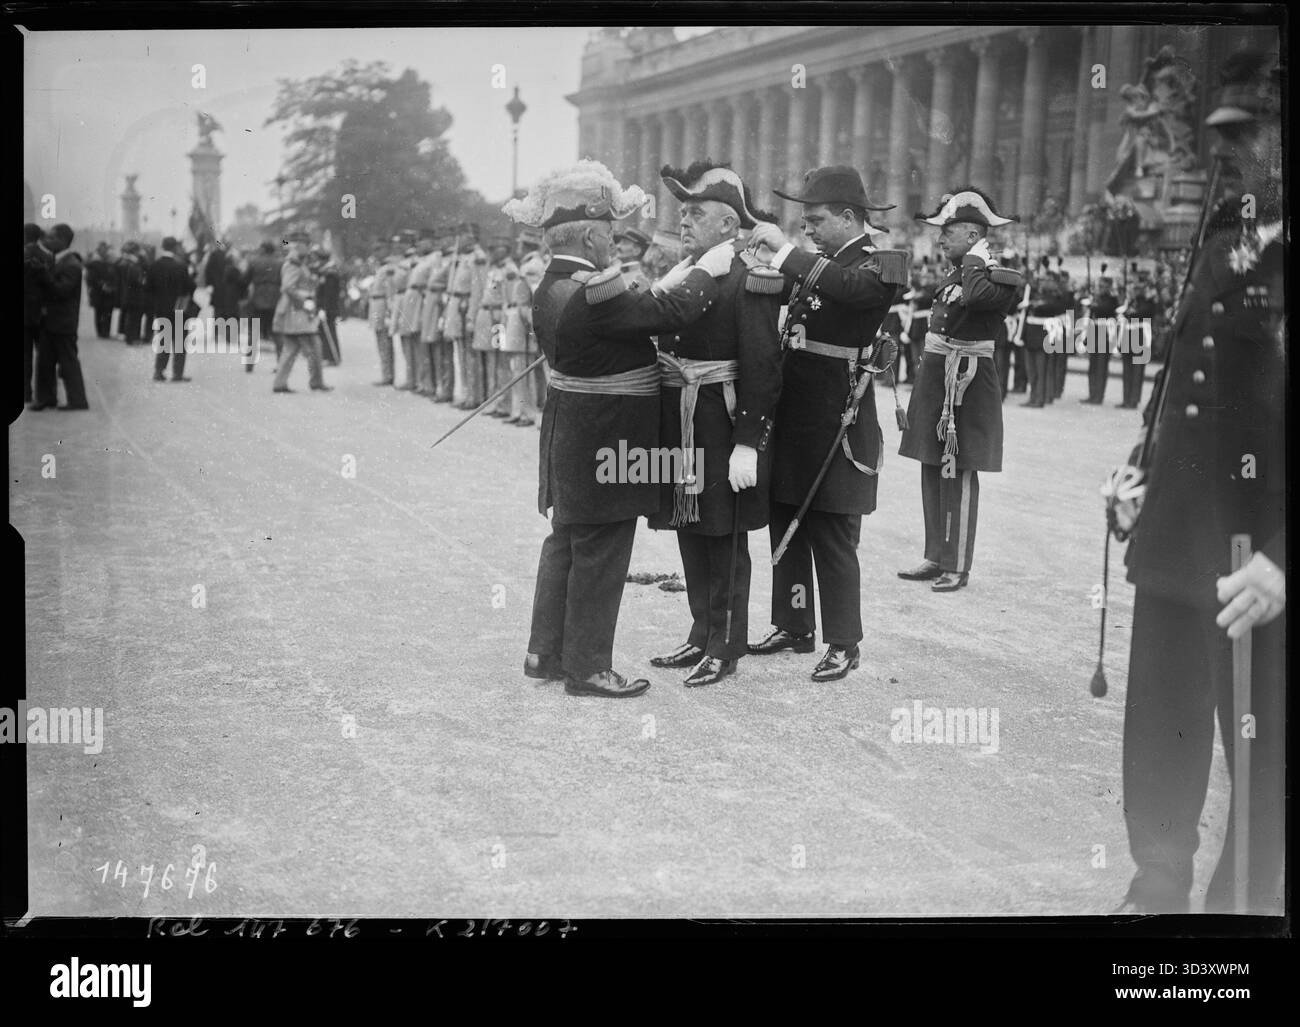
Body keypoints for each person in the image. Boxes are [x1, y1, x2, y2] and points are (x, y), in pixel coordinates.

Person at [1110, 50, 1284, 915]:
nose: (1228, 149)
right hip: (1181, 531)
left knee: (1265, 755)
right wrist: (1138, 470)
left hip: (1260, 556)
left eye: (1250, 133)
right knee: (1162, 727)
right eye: (1223, 134)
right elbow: (1180, 375)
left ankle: (1242, 916)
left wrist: (1285, 561)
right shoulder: (1222, 238)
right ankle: (1158, 888)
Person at [504, 160, 730, 698]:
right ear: (588, 232)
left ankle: (547, 652)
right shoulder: (594, 291)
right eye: (607, 232)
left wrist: (668, 276)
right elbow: (668, 313)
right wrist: (706, 268)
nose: (612, 241)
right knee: (604, 549)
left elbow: (638, 306)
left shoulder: (554, 284)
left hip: (571, 432)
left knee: (567, 541)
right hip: (607, 440)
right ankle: (588, 667)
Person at [745, 165, 905, 681]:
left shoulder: (881, 262)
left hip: (839, 411)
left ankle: (843, 641)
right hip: (796, 407)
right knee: (786, 515)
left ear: (848, 216)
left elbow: (851, 292)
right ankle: (794, 624)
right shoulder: (825, 259)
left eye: (815, 219)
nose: (807, 228)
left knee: (832, 529)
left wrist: (786, 252)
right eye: (803, 222)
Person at [646, 160, 784, 688]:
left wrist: (748, 443)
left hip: (721, 422)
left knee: (723, 534)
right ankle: (701, 632)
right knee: (690, 524)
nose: (684, 221)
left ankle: (726, 645)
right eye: (682, 212)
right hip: (683, 419)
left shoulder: (748, 281)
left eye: (696, 213)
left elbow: (763, 364)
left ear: (729, 225)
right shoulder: (689, 274)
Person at [896, 188, 1021, 592]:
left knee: (959, 470)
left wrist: (975, 260)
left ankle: (957, 563)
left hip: (967, 384)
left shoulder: (993, 276)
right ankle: (936, 555)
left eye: (948, 232)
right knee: (932, 464)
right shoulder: (957, 272)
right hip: (938, 379)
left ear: (972, 236)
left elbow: (975, 297)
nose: (939, 239)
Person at [31, 224, 90, 411]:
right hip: (53, 321)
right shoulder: (60, 261)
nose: (47, 241)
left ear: (62, 241)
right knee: (45, 361)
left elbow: (62, 290)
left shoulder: (71, 264)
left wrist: (44, 275)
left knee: (68, 362)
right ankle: (47, 399)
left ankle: (78, 400)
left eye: (51, 238)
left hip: (63, 322)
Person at [271, 231, 330, 393]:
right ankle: (316, 381)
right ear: (298, 245)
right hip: (298, 310)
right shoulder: (293, 263)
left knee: (290, 348)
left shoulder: (299, 262)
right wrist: (305, 302)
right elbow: (288, 287)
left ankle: (279, 383)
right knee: (314, 346)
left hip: (296, 310)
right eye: (306, 244)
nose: (309, 248)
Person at [148, 237, 197, 382]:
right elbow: (191, 287)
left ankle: (159, 371)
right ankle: (177, 373)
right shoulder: (180, 266)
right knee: (180, 340)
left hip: (161, 309)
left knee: (163, 340)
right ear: (175, 248)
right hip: (179, 307)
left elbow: (148, 288)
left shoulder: (154, 265)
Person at [1081, 271, 1120, 404]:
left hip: (1105, 333)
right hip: (1094, 332)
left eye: (1103, 286)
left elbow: (1105, 310)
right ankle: (1092, 394)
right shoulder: (1096, 298)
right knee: (1093, 366)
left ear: (1109, 287)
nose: (1101, 288)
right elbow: (1092, 315)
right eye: (1100, 286)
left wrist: (1093, 305)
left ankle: (1098, 396)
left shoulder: (1112, 299)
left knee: (1101, 367)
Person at [23, 222, 51, 405]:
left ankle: (26, 393)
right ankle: (44, 394)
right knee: (44, 355)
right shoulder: (47, 256)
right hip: (42, 313)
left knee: (24, 356)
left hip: (24, 313)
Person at [245, 240, 283, 367]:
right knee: (277, 332)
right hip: (275, 299)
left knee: (254, 331)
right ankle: (281, 363)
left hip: (258, 298)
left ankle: (250, 362)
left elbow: (245, 279)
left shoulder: (254, 262)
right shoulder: (280, 263)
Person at [368, 240, 398, 386]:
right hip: (376, 304)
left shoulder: (388, 268)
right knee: (381, 341)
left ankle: (388, 375)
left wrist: (389, 311)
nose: (376, 253)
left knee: (385, 343)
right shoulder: (379, 267)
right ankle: (385, 373)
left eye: (379, 249)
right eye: (375, 250)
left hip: (382, 305)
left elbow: (390, 291)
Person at [116, 241, 149, 345]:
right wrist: (143, 282)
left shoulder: (126, 262)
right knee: (133, 318)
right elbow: (137, 279)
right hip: (134, 295)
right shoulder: (133, 264)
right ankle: (131, 338)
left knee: (131, 317)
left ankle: (130, 337)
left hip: (129, 295)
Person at [86, 242, 118, 339]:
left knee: (108, 312)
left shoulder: (110, 263)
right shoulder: (94, 263)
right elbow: (91, 278)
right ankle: (101, 332)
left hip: (109, 292)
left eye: (105, 250)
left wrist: (111, 286)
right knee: (99, 312)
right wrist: (102, 285)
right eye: (102, 250)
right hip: (98, 292)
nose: (105, 252)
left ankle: (105, 332)